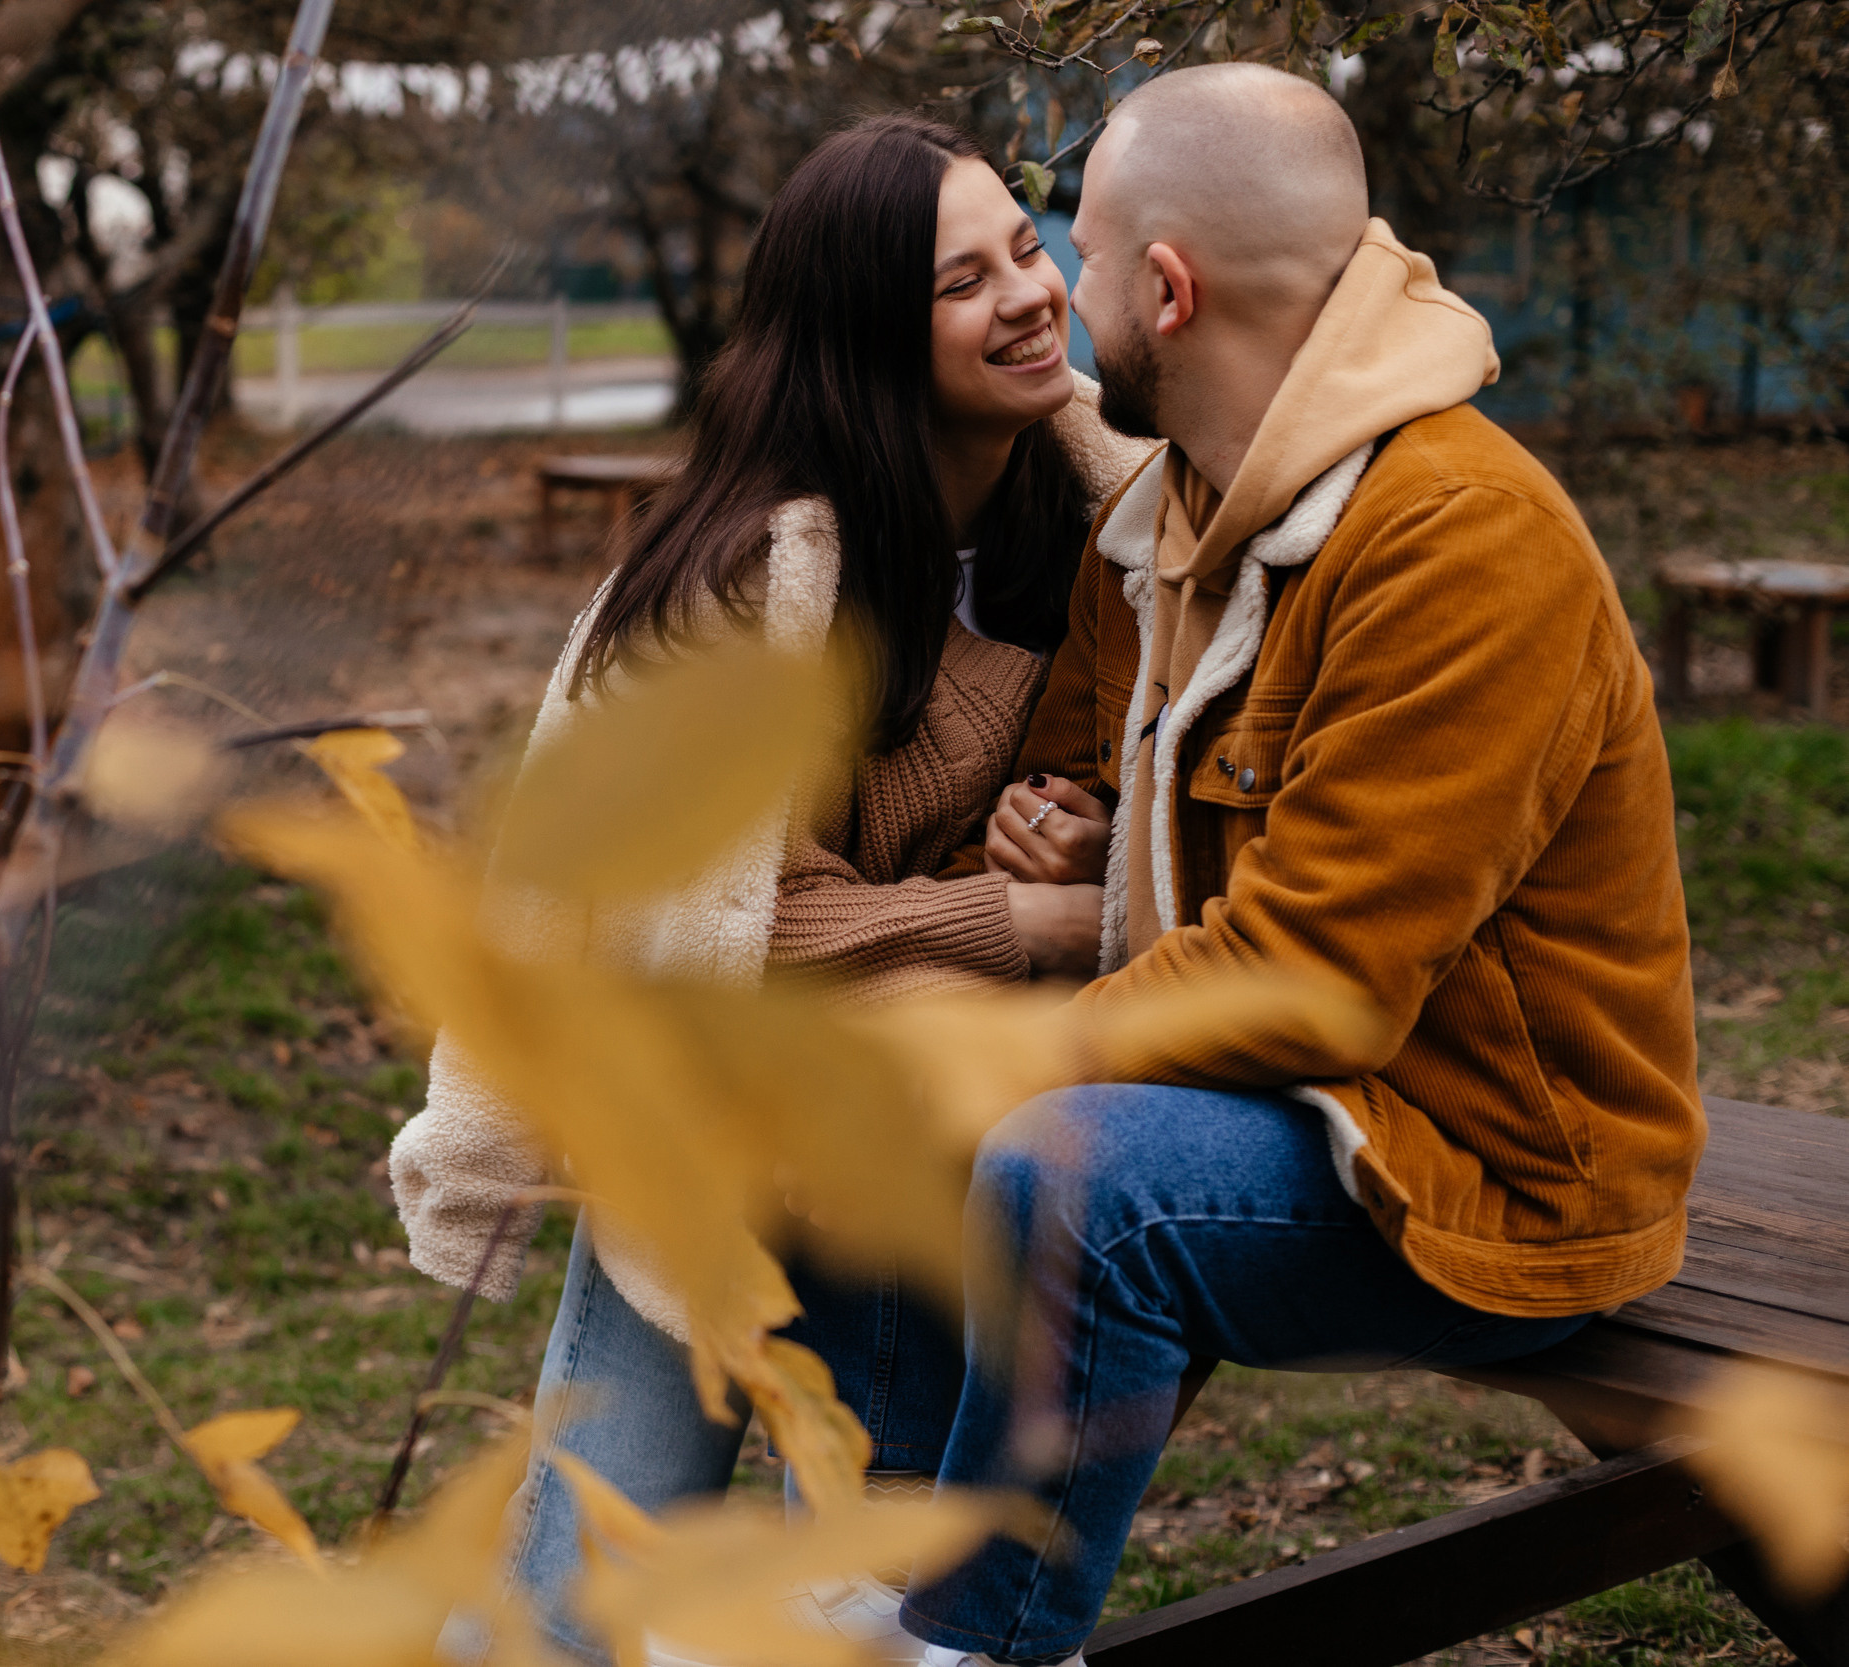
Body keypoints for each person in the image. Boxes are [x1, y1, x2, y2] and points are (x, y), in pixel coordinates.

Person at [879, 64, 1703, 1667]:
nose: (1059, 285)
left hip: (1489, 1173)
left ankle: (969, 1643)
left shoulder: (1460, 541)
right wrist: (1053, 817)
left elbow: (1304, 985)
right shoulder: (1182, 509)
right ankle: (882, 1562)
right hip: (1297, 1110)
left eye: (1081, 251)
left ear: (1167, 292)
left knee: (1075, 1178)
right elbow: (1082, 745)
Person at [386, 115, 1146, 1664]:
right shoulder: (759, 576)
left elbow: (1111, 783)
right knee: (590, 1570)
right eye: (962, 281)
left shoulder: (1076, 518)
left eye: (1026, 244)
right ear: (870, 328)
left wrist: (1081, 851)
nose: (1029, 293)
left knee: (848, 1570)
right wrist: (1018, 919)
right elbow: (723, 926)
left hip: (887, 1101)